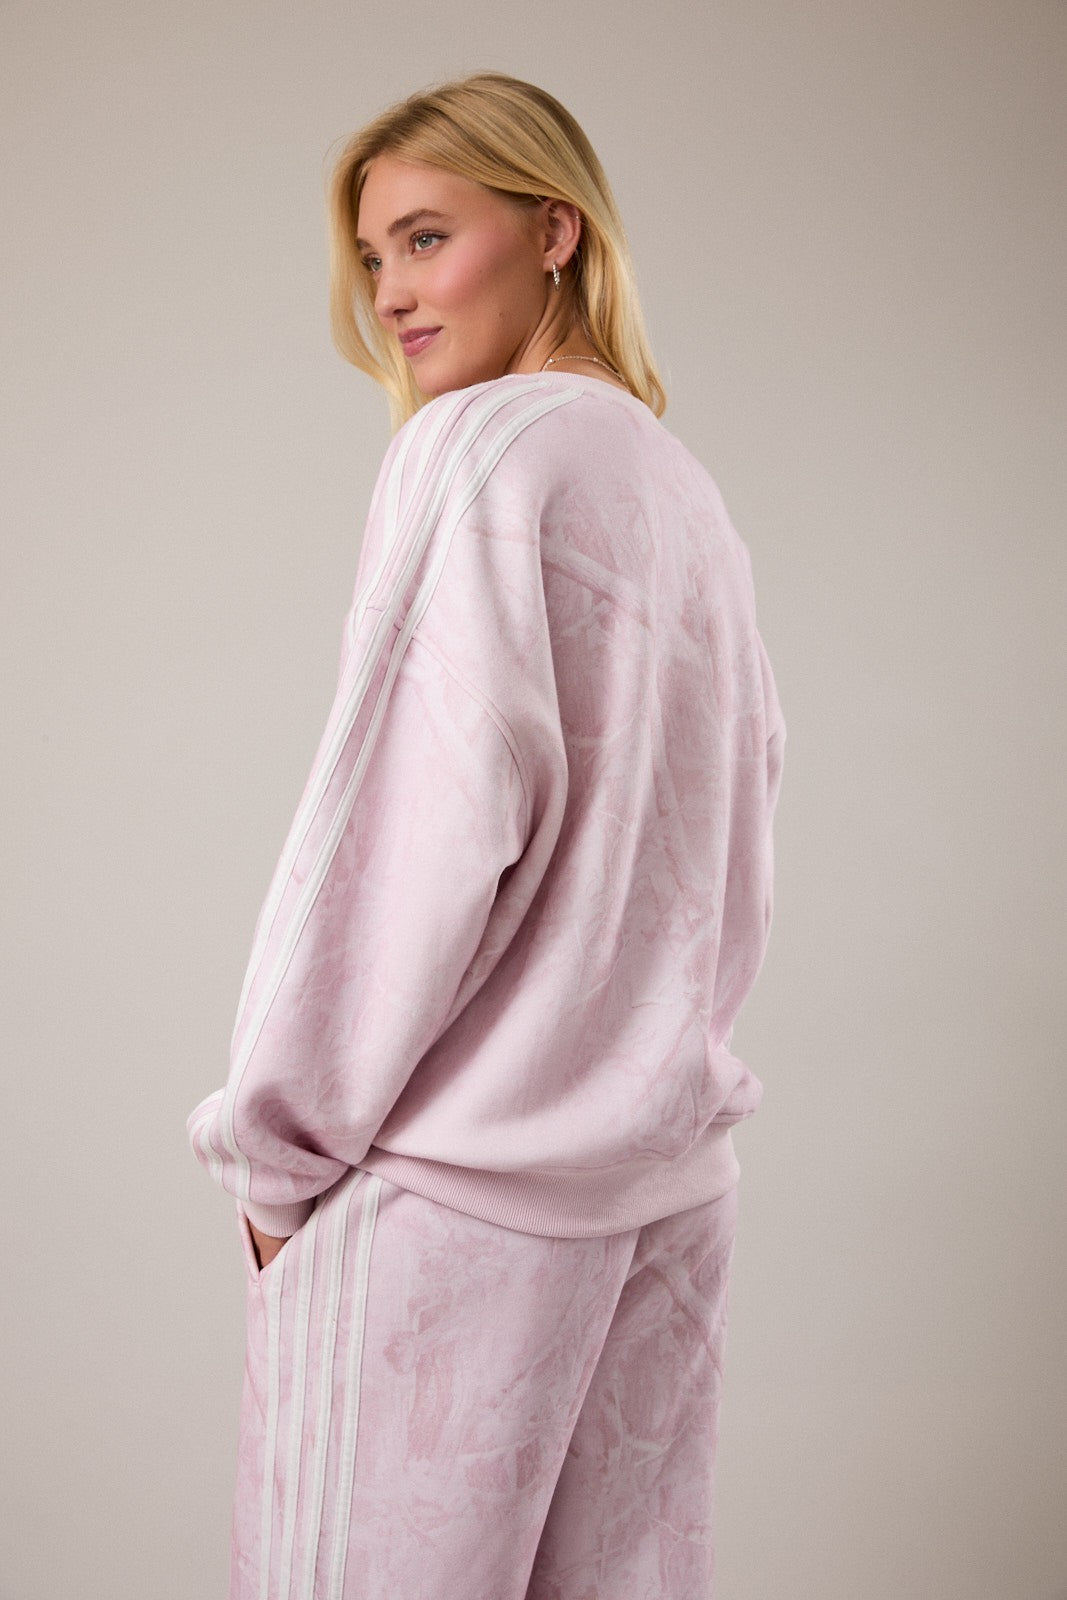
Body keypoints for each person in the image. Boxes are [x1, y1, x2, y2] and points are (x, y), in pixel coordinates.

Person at [187, 69, 786, 1600]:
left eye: (427, 237)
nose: (389, 292)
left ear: (555, 231)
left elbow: (399, 835)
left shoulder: (475, 453)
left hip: (454, 1209)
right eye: (372, 256)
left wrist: (275, 1156)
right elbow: (732, 828)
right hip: (662, 1193)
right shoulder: (676, 485)